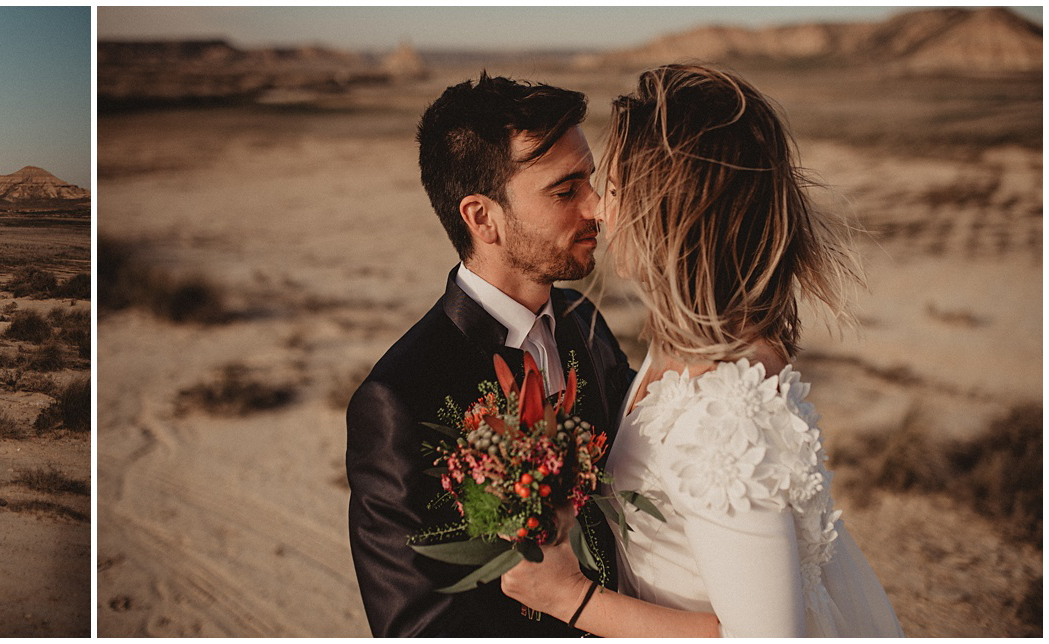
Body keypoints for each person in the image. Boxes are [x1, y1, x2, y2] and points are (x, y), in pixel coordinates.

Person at [499, 64, 902, 637]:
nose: (596, 210)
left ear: (667, 217)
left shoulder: (724, 415)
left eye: (611, 190)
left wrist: (571, 598)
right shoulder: (688, 341)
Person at [345, 73, 635, 637]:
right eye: (565, 190)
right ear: (482, 219)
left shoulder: (588, 323)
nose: (598, 209)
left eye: (591, 183)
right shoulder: (400, 398)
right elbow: (419, 627)